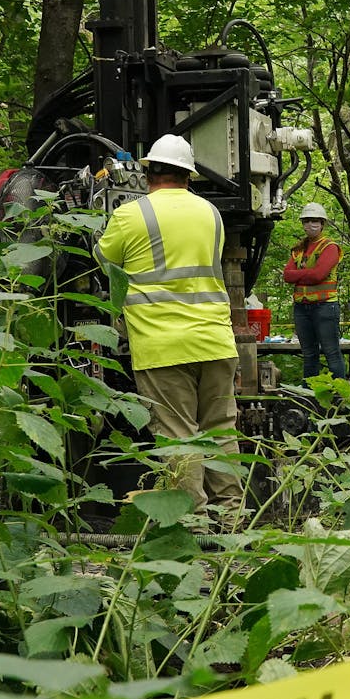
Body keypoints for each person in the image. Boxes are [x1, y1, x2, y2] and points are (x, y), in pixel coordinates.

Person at [93, 133, 243, 517]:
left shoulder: (131, 214)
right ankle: (232, 515)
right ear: (188, 176)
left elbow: (102, 259)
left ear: (148, 174)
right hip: (215, 340)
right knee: (220, 431)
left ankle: (191, 522)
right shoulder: (211, 213)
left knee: (179, 436)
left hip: (163, 345)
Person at [282, 202, 347, 378]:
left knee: (331, 353)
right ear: (303, 223)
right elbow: (287, 275)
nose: (311, 225)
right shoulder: (299, 249)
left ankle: (340, 395)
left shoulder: (329, 247)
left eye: (315, 221)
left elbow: (319, 275)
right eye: (307, 221)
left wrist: (299, 273)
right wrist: (307, 273)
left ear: (322, 223)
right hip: (302, 308)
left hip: (325, 307)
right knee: (309, 355)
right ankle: (310, 395)